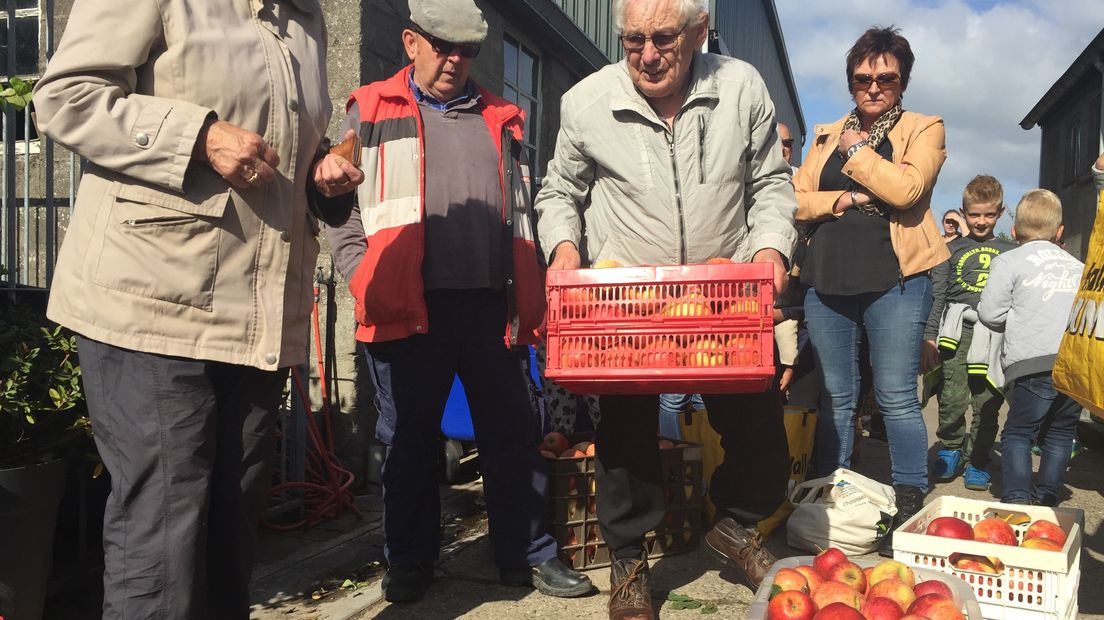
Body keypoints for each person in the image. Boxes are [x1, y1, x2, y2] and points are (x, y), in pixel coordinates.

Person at [30, 1, 363, 617]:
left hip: (254, 320)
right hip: (152, 305)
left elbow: (284, 147)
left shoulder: (305, 19)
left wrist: (318, 174)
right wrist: (201, 136)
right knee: (163, 528)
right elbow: (65, 97)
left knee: (231, 531)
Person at [323, 0, 591, 604]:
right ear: (410, 41)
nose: (455, 60)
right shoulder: (368, 109)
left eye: (467, 50)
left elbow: (525, 213)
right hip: (405, 305)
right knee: (409, 440)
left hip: (491, 308)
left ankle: (527, 553)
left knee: (513, 434)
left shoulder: (504, 117)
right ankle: (411, 562)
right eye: (442, 46)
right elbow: (338, 210)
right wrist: (360, 274)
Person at [535, 0, 797, 616]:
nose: (647, 55)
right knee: (626, 437)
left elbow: (770, 183)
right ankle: (629, 563)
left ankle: (733, 523)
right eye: (632, 41)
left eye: (662, 38)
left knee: (760, 434)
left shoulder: (741, 87)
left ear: (699, 31)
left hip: (722, 296)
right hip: (628, 299)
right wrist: (565, 247)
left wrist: (770, 248)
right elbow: (559, 190)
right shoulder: (587, 101)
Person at [791, 25, 949, 556]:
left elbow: (907, 191)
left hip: (896, 279)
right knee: (835, 396)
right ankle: (832, 495)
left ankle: (908, 504)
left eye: (886, 78)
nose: (874, 87)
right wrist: (845, 201)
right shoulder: (823, 132)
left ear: (902, 81)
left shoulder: (924, 128)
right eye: (863, 78)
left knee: (896, 397)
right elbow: (799, 201)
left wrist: (858, 151)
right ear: (850, 80)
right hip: (827, 278)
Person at [978, 189, 1084, 506]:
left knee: (1018, 433)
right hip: (1072, 363)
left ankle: (1017, 498)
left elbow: (989, 313)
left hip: (1031, 364)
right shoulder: (1077, 266)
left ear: (1014, 231)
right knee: (1062, 432)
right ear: (1060, 231)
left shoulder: (1009, 261)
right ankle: (1048, 494)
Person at [921, 175, 1015, 491]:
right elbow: (938, 295)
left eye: (989, 215)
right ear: (963, 212)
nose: (981, 221)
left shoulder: (1011, 252)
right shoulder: (951, 250)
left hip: (995, 337)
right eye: (974, 214)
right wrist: (930, 336)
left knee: (987, 401)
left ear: (1001, 212)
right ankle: (950, 448)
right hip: (955, 334)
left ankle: (977, 459)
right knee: (951, 397)